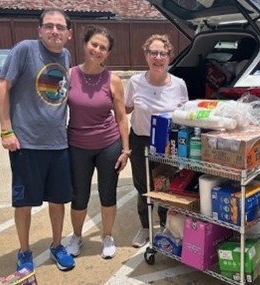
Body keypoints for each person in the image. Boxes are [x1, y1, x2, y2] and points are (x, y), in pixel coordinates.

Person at [0, 8, 75, 272]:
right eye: (49, 26)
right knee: (24, 202)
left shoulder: (65, 55)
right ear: (39, 30)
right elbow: (2, 85)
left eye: (60, 27)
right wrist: (6, 129)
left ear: (68, 34)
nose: (55, 31)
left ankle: (56, 245)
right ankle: (25, 251)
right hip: (26, 144)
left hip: (58, 144)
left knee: (58, 200)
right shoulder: (25, 50)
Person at [64, 25, 129, 259]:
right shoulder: (69, 74)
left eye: (103, 48)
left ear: (108, 53)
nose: (97, 50)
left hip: (108, 146)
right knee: (78, 195)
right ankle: (77, 236)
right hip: (77, 146)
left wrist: (126, 149)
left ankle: (107, 237)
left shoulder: (113, 79)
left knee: (107, 193)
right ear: (85, 45)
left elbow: (121, 117)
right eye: (94, 44)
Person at [125, 34, 189, 248]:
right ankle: (145, 227)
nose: (158, 58)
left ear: (169, 57)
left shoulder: (179, 84)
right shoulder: (135, 82)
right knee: (143, 186)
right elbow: (123, 109)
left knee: (165, 185)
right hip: (140, 141)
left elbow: (184, 116)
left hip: (166, 144)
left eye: (163, 53)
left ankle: (163, 225)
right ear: (146, 55)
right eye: (153, 52)